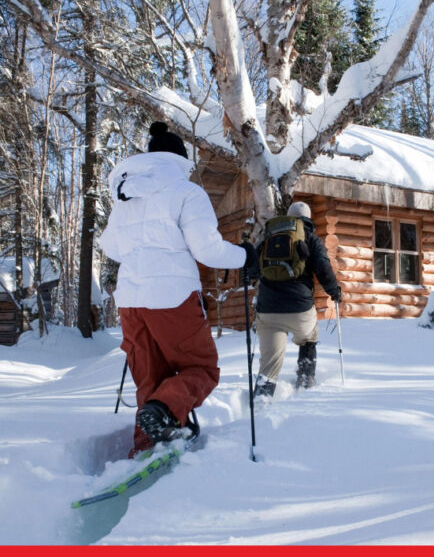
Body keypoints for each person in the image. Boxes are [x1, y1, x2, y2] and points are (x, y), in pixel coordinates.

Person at [98, 122, 257, 456]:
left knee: (149, 377)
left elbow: (110, 246)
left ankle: (147, 444)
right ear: (180, 160)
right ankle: (165, 411)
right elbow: (208, 250)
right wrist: (245, 257)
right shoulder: (185, 192)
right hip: (172, 297)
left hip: (130, 302)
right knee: (201, 368)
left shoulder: (126, 196)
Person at [249, 201, 342, 397]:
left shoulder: (268, 237)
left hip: (268, 310)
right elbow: (324, 269)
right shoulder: (311, 238)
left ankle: (261, 400)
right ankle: (305, 381)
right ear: (308, 219)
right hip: (300, 309)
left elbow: (251, 271)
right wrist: (334, 292)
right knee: (309, 338)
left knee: (269, 364)